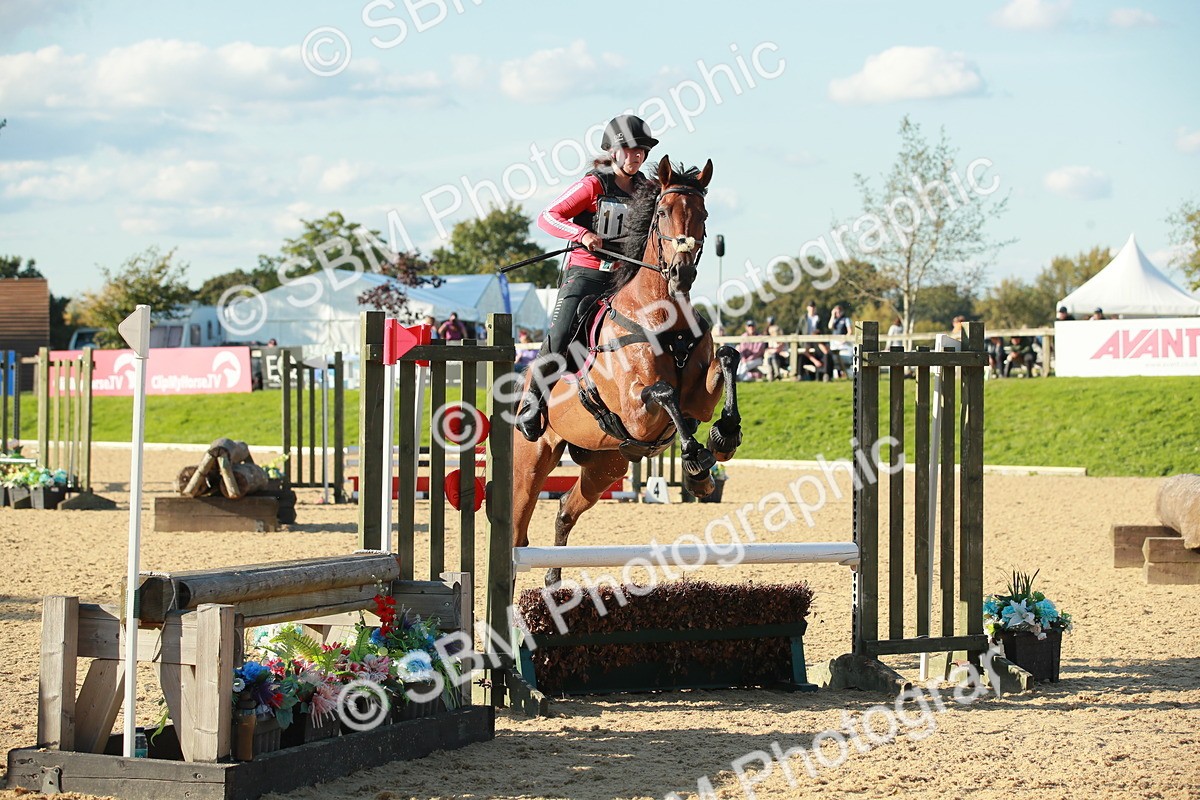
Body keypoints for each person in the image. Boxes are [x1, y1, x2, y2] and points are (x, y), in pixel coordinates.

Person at [515, 114, 660, 441]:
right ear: (613, 152)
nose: (636, 157)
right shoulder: (594, 184)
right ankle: (533, 401)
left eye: (642, 151)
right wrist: (581, 235)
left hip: (624, 279)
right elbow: (548, 216)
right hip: (586, 273)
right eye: (630, 150)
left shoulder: (645, 191)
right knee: (562, 332)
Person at [798, 301, 825, 380]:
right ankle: (799, 375)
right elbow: (799, 330)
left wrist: (817, 332)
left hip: (816, 340)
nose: (812, 309)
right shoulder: (803, 318)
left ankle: (821, 374)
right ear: (807, 308)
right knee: (802, 354)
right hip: (806, 341)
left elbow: (822, 330)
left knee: (821, 353)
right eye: (810, 307)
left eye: (813, 307)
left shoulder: (818, 318)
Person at [825, 304, 851, 380]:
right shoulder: (834, 320)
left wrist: (844, 340)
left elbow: (849, 331)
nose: (838, 313)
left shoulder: (846, 319)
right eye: (836, 312)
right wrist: (832, 315)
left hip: (843, 343)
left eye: (839, 311)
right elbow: (830, 326)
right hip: (834, 343)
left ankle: (844, 373)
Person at [764, 316, 789, 381]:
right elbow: (769, 350)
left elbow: (777, 350)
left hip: (784, 359)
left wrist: (771, 350)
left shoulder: (782, 340)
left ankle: (776, 374)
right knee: (771, 357)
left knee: (773, 356)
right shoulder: (771, 340)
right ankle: (772, 375)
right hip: (774, 357)